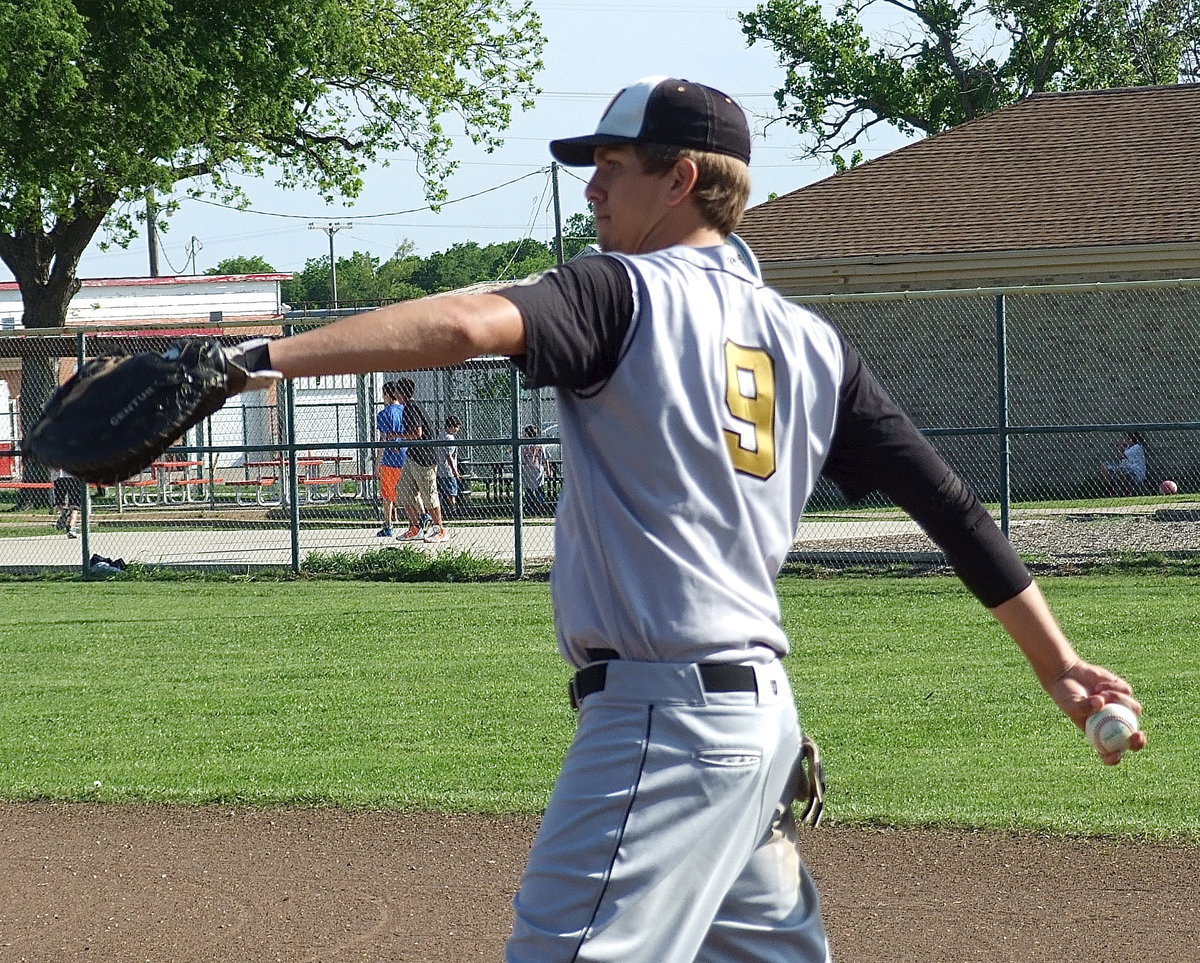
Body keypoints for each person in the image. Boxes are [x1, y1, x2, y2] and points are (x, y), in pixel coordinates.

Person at [240, 76, 1145, 962]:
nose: (591, 187)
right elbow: (952, 509)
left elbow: (470, 325)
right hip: (757, 732)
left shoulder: (621, 294)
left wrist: (254, 361)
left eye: (613, 165)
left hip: (663, 725)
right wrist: (1058, 664)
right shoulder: (811, 343)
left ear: (680, 181)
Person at [393, 378, 448, 543]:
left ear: (401, 393)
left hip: (424, 458)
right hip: (412, 456)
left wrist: (399, 437)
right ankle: (415, 528)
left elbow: (417, 432)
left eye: (397, 391)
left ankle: (440, 529)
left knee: (429, 494)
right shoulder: (407, 407)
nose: (395, 394)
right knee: (404, 491)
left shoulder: (411, 407)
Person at [374, 381, 407, 536]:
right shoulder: (406, 411)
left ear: (387, 395)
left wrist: (377, 462)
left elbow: (383, 439)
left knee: (387, 494)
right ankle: (419, 519)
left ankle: (388, 525)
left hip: (389, 459)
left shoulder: (384, 414)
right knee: (410, 491)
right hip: (406, 456)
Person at [436, 415, 464, 517]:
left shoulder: (441, 435)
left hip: (440, 469)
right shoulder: (449, 438)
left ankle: (448, 509)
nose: (457, 429)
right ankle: (453, 510)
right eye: (456, 426)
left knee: (444, 491)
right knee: (452, 491)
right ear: (450, 426)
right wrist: (455, 471)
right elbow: (449, 456)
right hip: (448, 470)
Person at [520, 424, 550, 515]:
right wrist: (548, 469)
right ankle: (539, 507)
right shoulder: (540, 444)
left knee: (530, 491)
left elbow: (520, 458)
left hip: (528, 471)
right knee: (538, 490)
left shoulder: (523, 445)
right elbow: (546, 459)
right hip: (537, 470)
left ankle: (531, 508)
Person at [52, 467, 83, 538]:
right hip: (75, 476)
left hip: (59, 477)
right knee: (75, 506)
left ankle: (64, 512)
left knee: (59, 503)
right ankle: (71, 528)